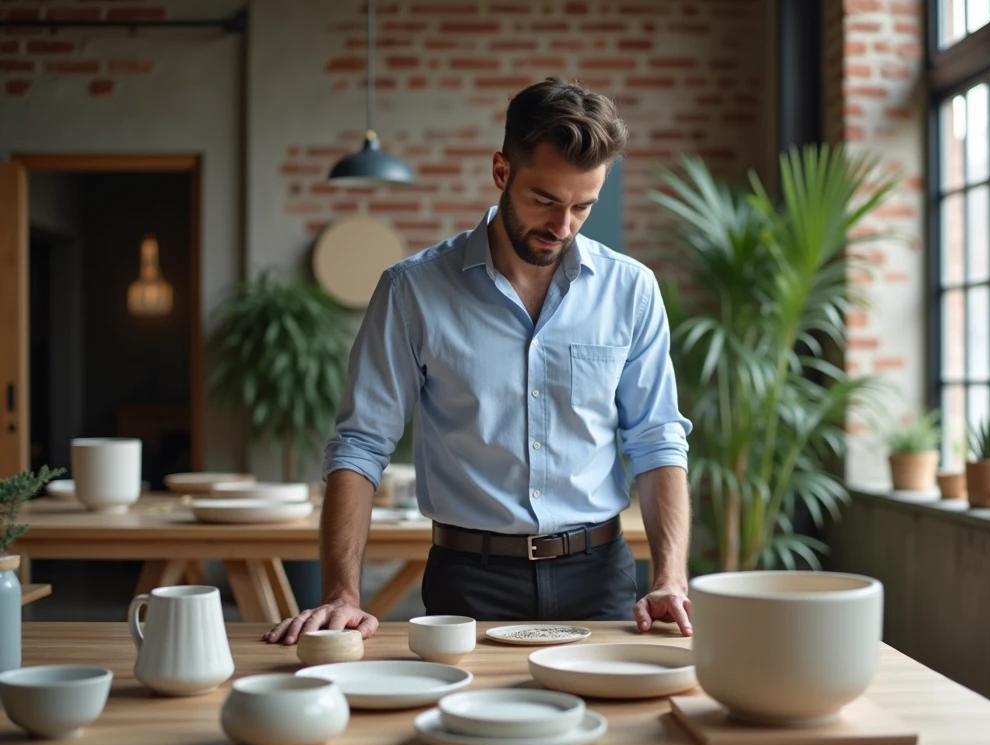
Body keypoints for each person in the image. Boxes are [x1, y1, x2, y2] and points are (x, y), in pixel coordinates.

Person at [264, 77, 693, 647]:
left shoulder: (631, 290)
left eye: (582, 207)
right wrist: (342, 594)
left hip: (599, 574)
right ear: (501, 172)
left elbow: (656, 440)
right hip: (470, 580)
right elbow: (361, 446)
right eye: (545, 200)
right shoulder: (411, 291)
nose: (562, 226)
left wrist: (670, 578)